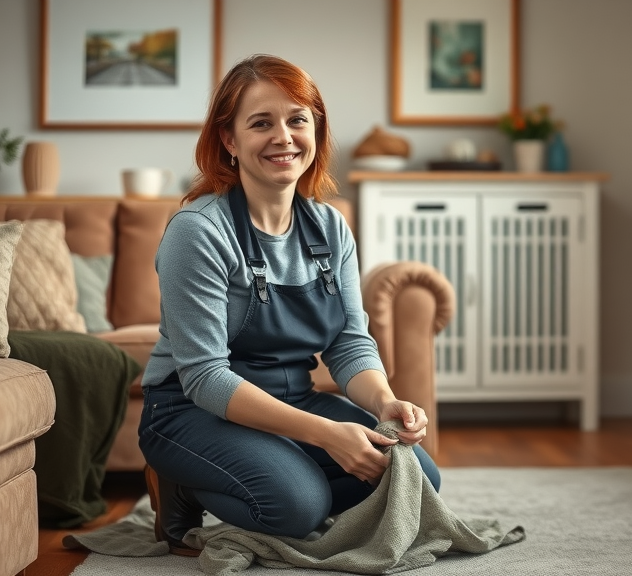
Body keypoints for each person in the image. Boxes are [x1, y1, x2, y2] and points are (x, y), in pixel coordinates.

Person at [137, 54, 440, 556]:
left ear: (315, 131)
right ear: (229, 140)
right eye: (261, 123)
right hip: (190, 411)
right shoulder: (198, 232)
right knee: (295, 506)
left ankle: (287, 476)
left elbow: (347, 342)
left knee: (414, 476)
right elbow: (205, 377)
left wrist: (384, 402)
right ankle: (182, 485)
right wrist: (327, 435)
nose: (284, 137)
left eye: (298, 119)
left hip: (292, 399)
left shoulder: (330, 226)